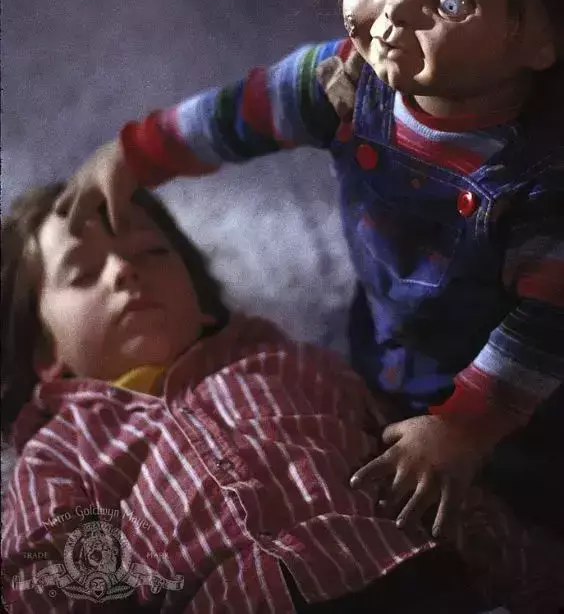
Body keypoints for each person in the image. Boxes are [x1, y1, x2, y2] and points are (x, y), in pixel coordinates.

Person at [53, 0, 564, 543]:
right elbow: (238, 113)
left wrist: (467, 426)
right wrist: (136, 153)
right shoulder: (341, 83)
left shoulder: (544, 182)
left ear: (548, 36)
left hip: (528, 409)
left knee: (514, 519)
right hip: (390, 344)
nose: (390, 15)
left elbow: (545, 327)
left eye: (451, 0)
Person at [2, 184, 562, 613]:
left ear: (198, 296)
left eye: (151, 251)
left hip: (402, 577)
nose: (124, 270)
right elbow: (43, 578)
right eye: (82, 272)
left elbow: (418, 477)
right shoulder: (60, 451)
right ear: (45, 352)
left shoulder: (290, 363)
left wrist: (532, 571)